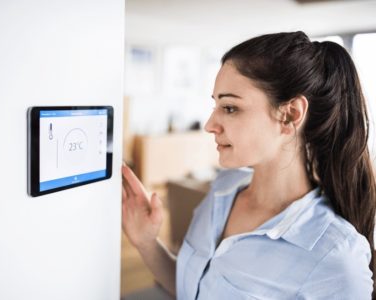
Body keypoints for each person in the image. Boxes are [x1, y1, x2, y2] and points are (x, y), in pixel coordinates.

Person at [121, 31, 375, 299]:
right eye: (216, 105)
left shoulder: (335, 258)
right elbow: (193, 289)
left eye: (230, 108)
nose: (210, 125)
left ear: (289, 115)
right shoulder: (223, 188)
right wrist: (146, 241)